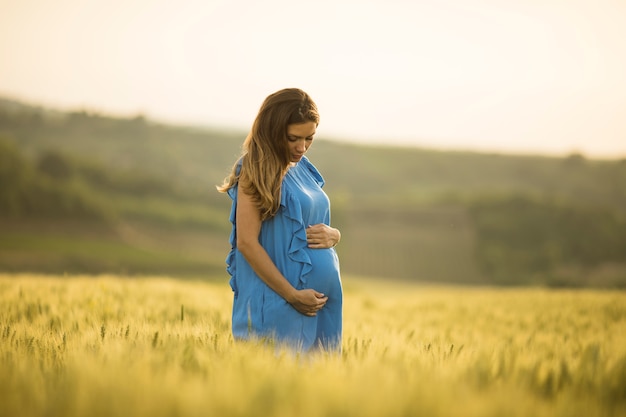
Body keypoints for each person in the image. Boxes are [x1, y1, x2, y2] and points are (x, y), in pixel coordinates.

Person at [217, 88, 342, 352]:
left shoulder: (303, 167)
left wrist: (335, 235)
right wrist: (292, 295)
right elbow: (247, 243)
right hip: (280, 304)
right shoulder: (254, 169)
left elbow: (314, 219)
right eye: (293, 138)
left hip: (319, 308)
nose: (302, 147)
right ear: (273, 131)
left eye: (309, 138)